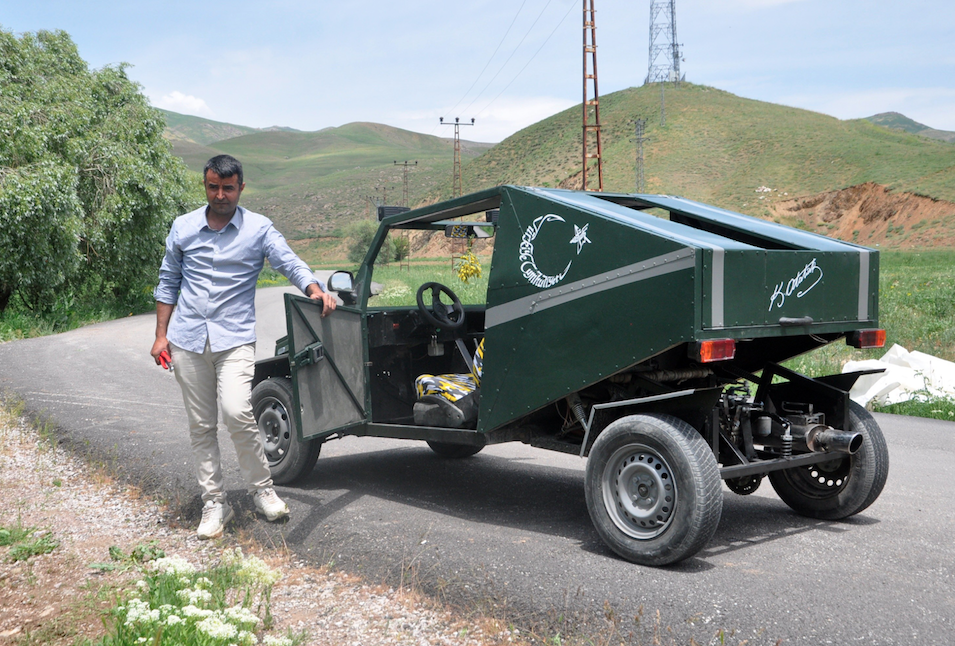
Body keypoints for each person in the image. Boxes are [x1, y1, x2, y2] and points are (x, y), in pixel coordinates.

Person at [151, 154, 336, 540]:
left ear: (241, 187)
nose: (220, 195)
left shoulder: (258, 228)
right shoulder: (184, 227)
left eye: (228, 187)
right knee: (201, 425)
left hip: (234, 339)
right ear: (205, 185)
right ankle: (213, 502)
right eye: (213, 187)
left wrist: (314, 288)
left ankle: (262, 490)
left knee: (237, 411)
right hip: (187, 340)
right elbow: (168, 281)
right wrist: (160, 334)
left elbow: (289, 261)